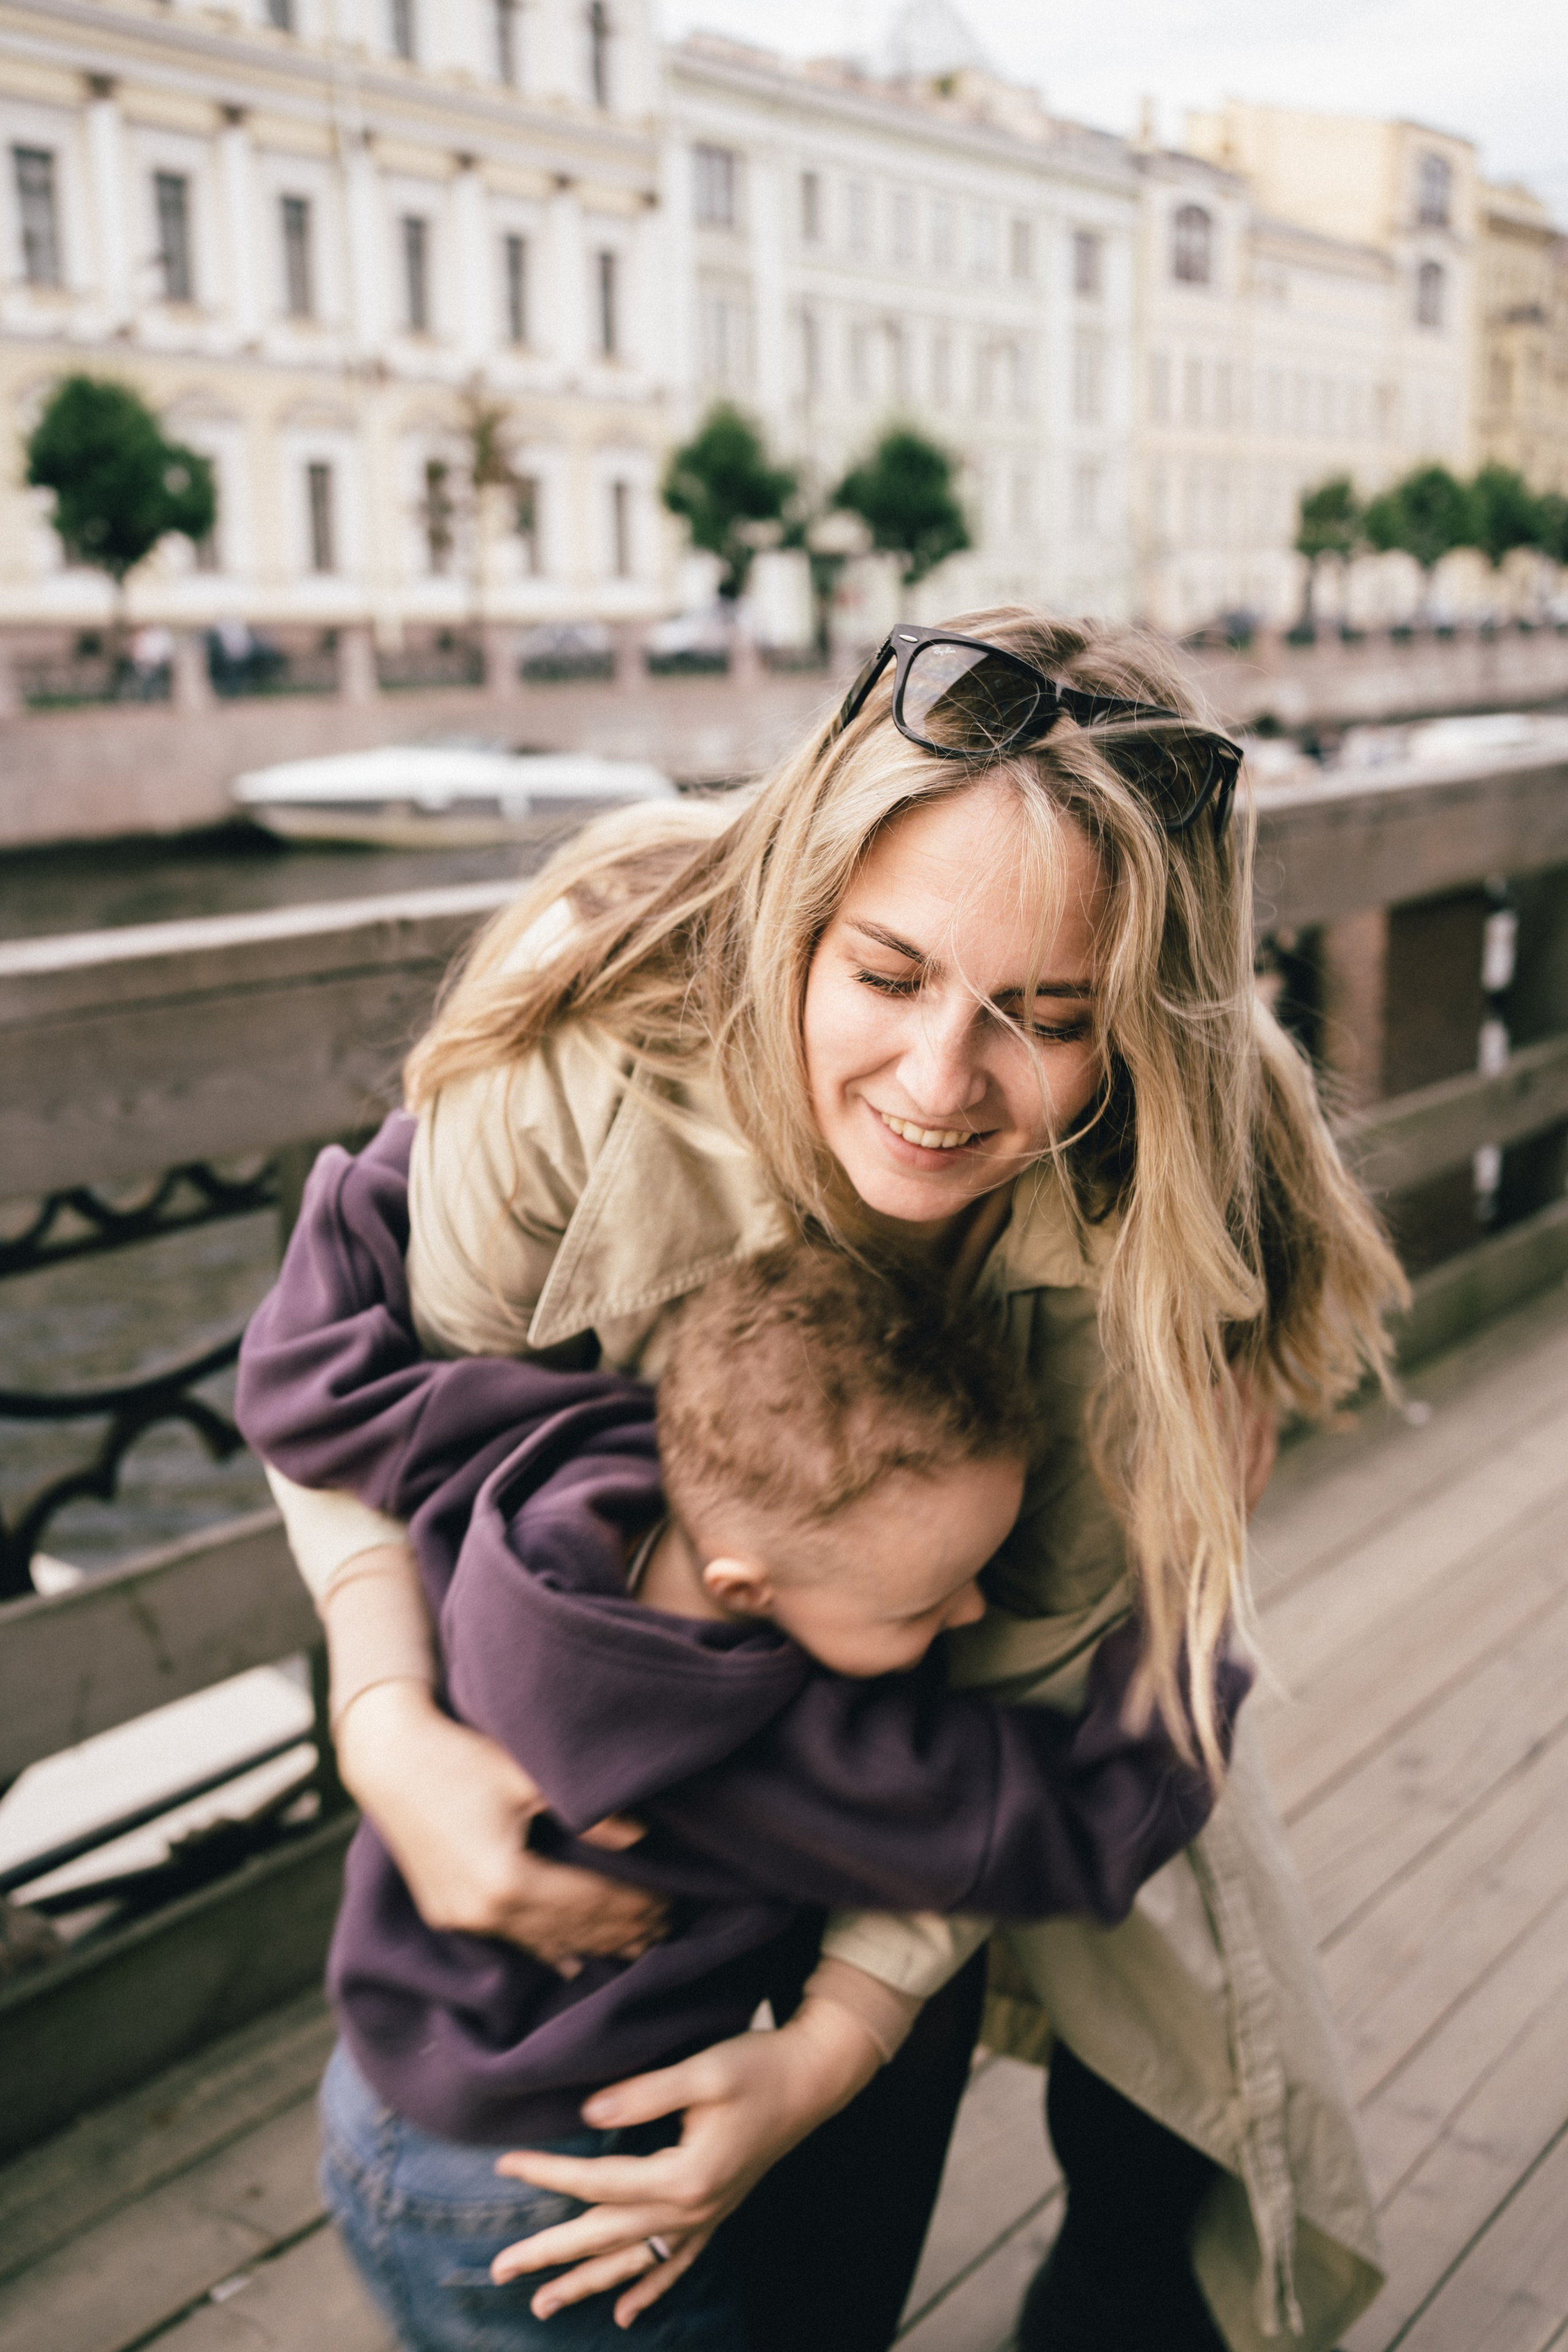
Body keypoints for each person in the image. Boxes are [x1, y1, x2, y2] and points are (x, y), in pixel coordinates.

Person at [255, 612, 1406, 2352]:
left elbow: (1035, 1699)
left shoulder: (1163, 1220)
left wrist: (835, 2043)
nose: (939, 1086)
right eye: (884, 977)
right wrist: (383, 1718)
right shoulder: (593, 1027)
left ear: (1138, 1034)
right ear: (801, 901)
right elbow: (359, 1395)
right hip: (661, 1884)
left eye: (1045, 1019)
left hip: (962, 1765)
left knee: (1139, 2147)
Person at [238, 1143, 1246, 2350]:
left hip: (378, 2099)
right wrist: (1192, 1575)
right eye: (921, 1608)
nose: (967, 1617)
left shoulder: (547, 1457)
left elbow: (319, 1360)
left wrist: (420, 1151)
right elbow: (1082, 1823)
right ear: (745, 1586)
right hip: (559, 2188)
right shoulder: (768, 1748)